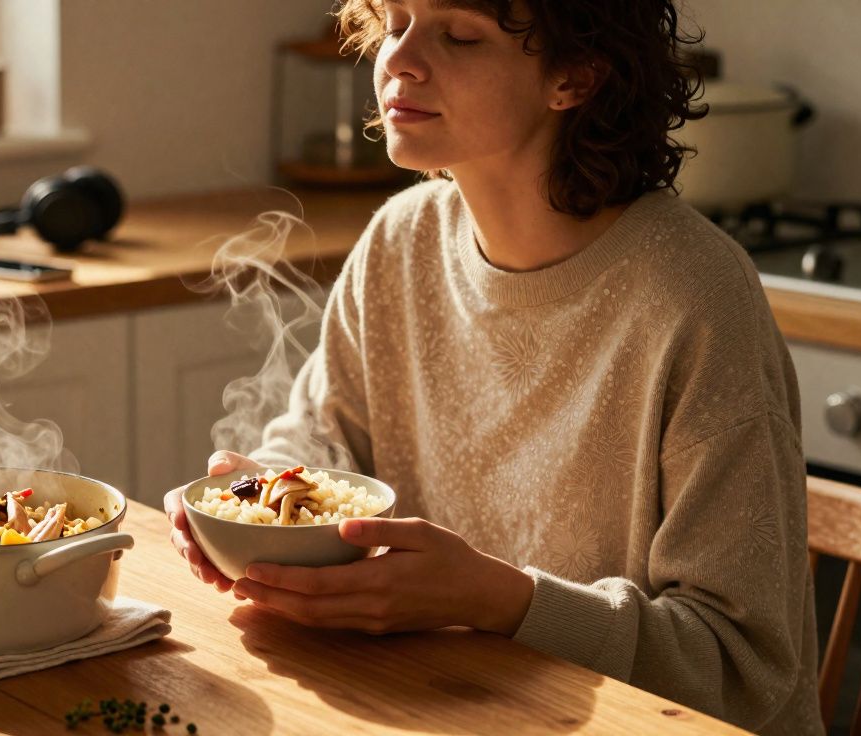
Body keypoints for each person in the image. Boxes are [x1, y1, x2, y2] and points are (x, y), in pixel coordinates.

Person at [164, 0, 821, 733]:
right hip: (453, 706)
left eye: (459, 36)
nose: (399, 60)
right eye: (396, 22)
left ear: (574, 77)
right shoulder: (400, 243)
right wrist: (255, 507)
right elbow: (321, 447)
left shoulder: (694, 298)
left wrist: (500, 601)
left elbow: (744, 669)